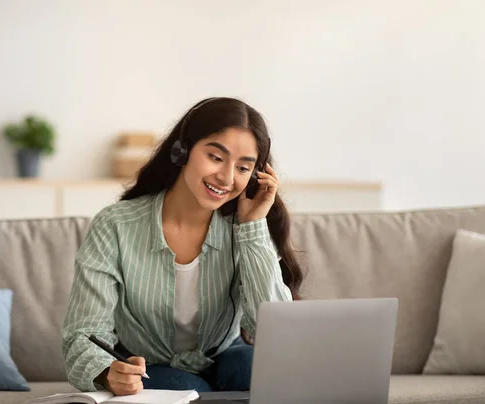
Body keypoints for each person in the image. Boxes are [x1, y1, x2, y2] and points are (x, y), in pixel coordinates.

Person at [62, 96, 304, 395]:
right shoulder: (115, 225)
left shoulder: (243, 227)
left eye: (243, 168)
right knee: (182, 386)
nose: (227, 178)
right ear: (182, 151)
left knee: (249, 366)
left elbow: (277, 336)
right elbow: (83, 335)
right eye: (216, 157)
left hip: (226, 357)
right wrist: (107, 373)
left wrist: (252, 228)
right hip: (152, 368)